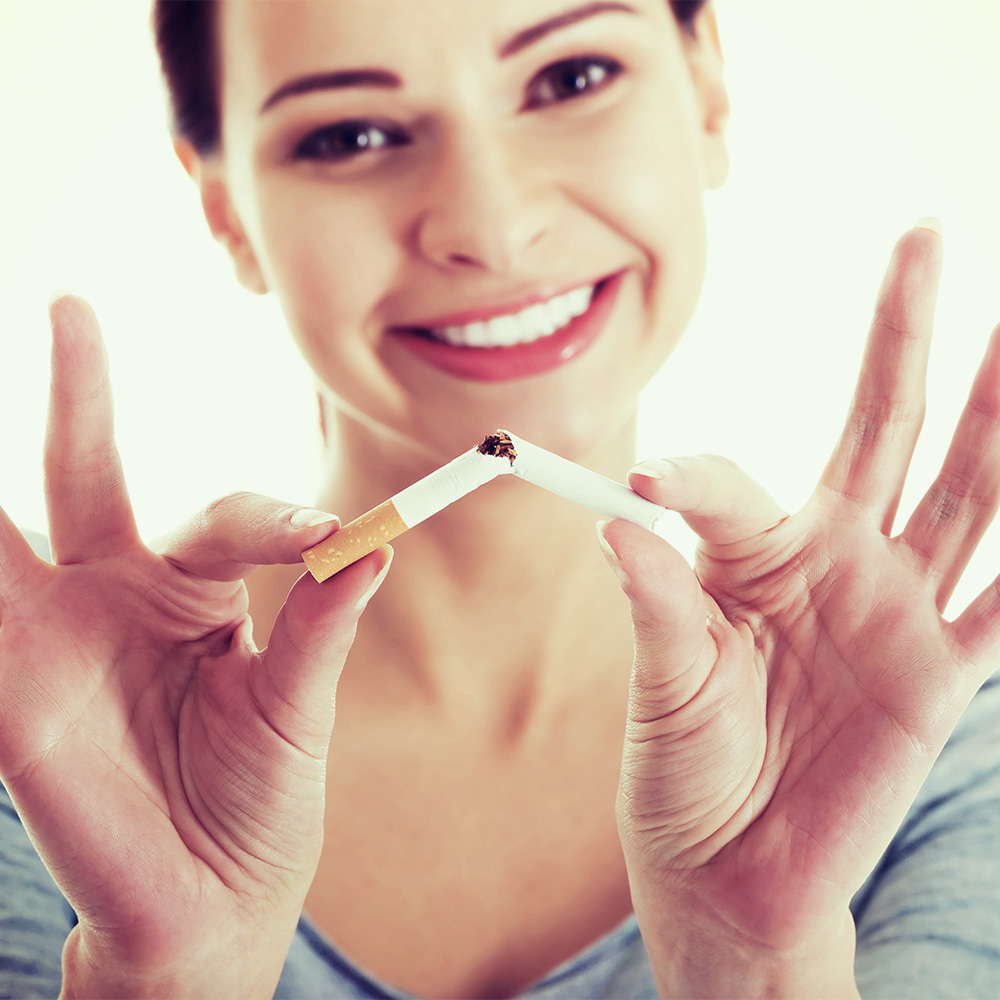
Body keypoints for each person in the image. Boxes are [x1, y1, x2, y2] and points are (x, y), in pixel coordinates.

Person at [1, 1, 998, 997]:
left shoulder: (921, 739)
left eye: (571, 78)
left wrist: (761, 969)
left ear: (704, 86)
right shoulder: (51, 720)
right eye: (349, 135)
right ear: (225, 210)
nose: (492, 228)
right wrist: (165, 977)